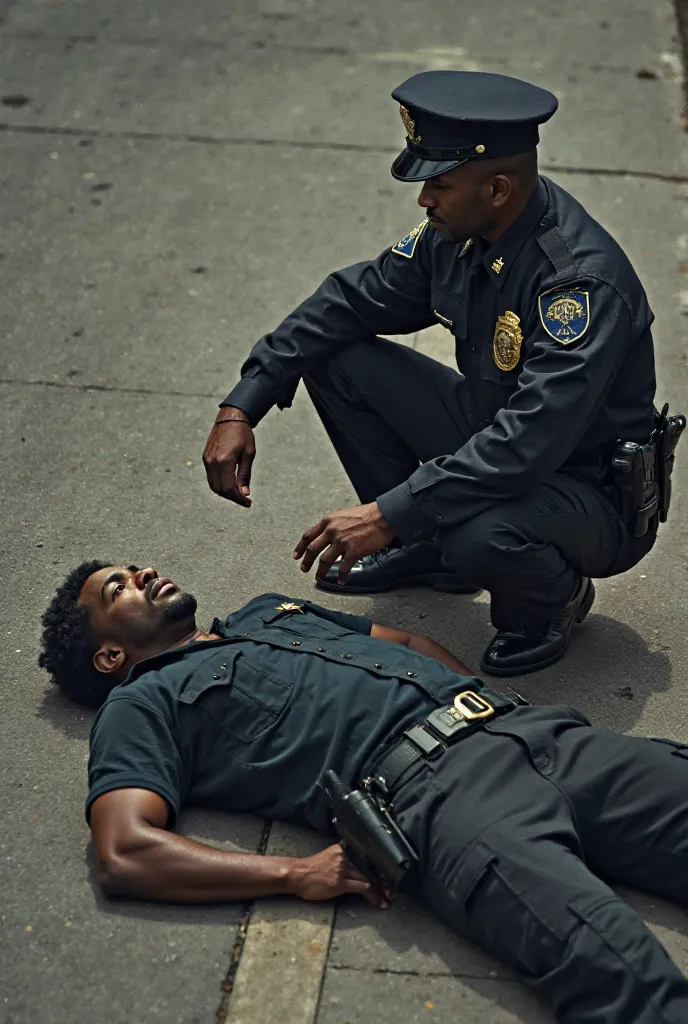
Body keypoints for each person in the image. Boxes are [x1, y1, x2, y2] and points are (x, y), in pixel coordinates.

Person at [40, 560, 688, 1023]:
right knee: (617, 965)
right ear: (108, 656)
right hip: (448, 800)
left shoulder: (267, 612)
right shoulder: (142, 703)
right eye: (117, 588)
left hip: (533, 731)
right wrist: (293, 873)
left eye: (132, 566)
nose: (143, 573)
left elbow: (403, 641)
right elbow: (124, 851)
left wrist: (481, 706)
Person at [202, 70, 665, 678]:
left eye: (438, 186)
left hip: (584, 491)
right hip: (493, 435)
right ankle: (426, 550)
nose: (424, 200)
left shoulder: (576, 284)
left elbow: (527, 445)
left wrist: (386, 512)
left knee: (480, 534)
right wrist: (244, 402)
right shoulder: (460, 233)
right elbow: (347, 302)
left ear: (496, 188)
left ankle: (551, 601)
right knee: (340, 357)